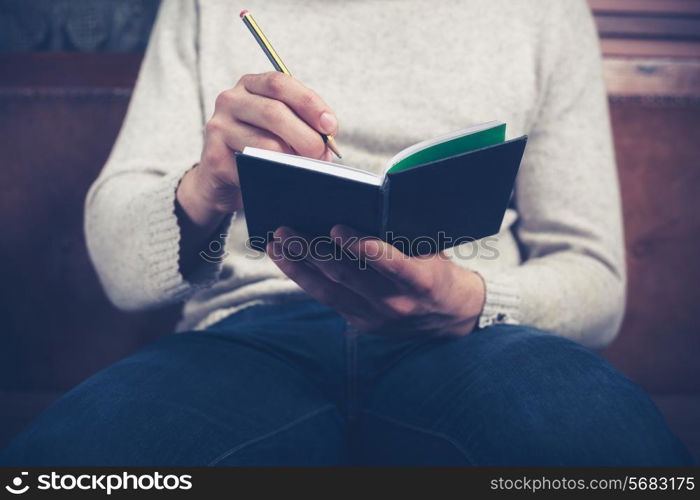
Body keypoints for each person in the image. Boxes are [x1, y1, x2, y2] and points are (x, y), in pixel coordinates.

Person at [0, 0, 693, 466]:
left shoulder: (545, 11)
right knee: (67, 464)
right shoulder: (204, 7)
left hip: (478, 339)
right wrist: (207, 182)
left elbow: (595, 278)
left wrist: (469, 300)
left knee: (619, 457)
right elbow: (122, 272)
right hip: (248, 336)